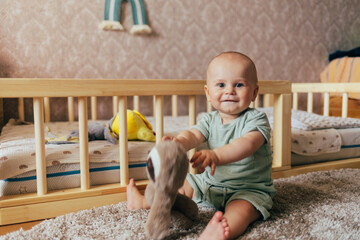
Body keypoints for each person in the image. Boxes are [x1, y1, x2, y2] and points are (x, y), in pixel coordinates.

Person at [127, 51, 276, 240]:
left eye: (239, 85)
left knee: (242, 211)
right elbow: (193, 134)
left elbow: (247, 144)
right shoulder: (209, 119)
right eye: (221, 85)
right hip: (209, 184)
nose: (229, 90)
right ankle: (143, 202)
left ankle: (220, 232)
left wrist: (216, 156)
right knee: (182, 186)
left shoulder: (256, 119)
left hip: (248, 189)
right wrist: (179, 143)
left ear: (254, 92)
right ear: (208, 93)